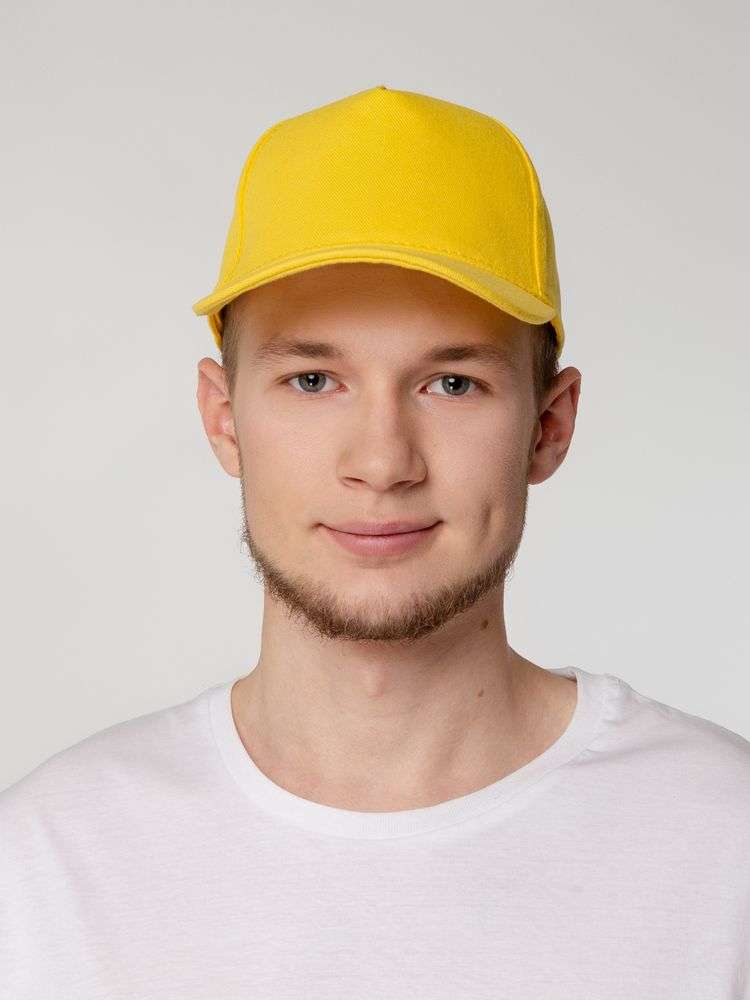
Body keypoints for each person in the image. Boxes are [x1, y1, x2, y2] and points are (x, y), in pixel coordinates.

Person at [1, 84, 748, 999]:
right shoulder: (44, 868)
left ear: (548, 428)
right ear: (224, 419)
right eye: (314, 381)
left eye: (452, 384)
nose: (383, 462)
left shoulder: (725, 850)